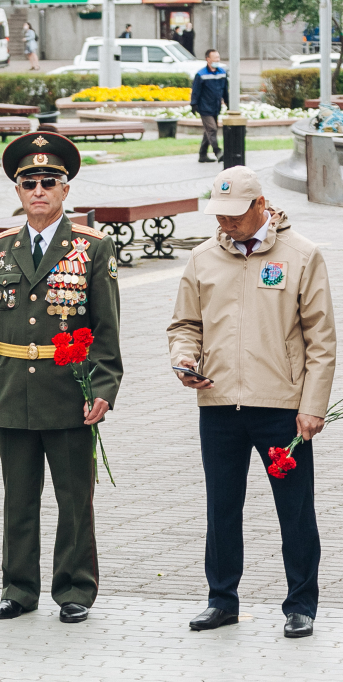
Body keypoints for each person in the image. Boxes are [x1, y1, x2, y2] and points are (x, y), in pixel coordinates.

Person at [168, 166, 335, 639]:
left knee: (295, 510)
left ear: (261, 205)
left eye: (235, 215)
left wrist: (313, 405)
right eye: (219, 215)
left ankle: (301, 604)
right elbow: (184, 325)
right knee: (221, 508)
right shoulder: (202, 259)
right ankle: (222, 601)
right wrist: (183, 360)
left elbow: (321, 339)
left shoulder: (302, 255)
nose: (226, 224)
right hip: (218, 404)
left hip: (282, 407)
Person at [0, 132, 123, 624]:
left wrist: (102, 389)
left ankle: (75, 588)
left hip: (68, 391)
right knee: (18, 498)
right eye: (29, 182)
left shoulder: (91, 248)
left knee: (74, 499)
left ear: (65, 190)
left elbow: (106, 329)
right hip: (11, 388)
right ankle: (18, 588)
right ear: (18, 191)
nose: (39, 190)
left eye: (49, 182)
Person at [191, 49, 229, 163]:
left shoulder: (222, 72)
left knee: (209, 130)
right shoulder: (201, 74)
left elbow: (225, 90)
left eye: (218, 57)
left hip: (216, 107)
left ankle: (202, 154)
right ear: (208, 59)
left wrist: (228, 103)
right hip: (204, 107)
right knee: (212, 129)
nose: (217, 60)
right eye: (215, 58)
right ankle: (218, 152)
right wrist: (194, 104)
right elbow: (196, 91)